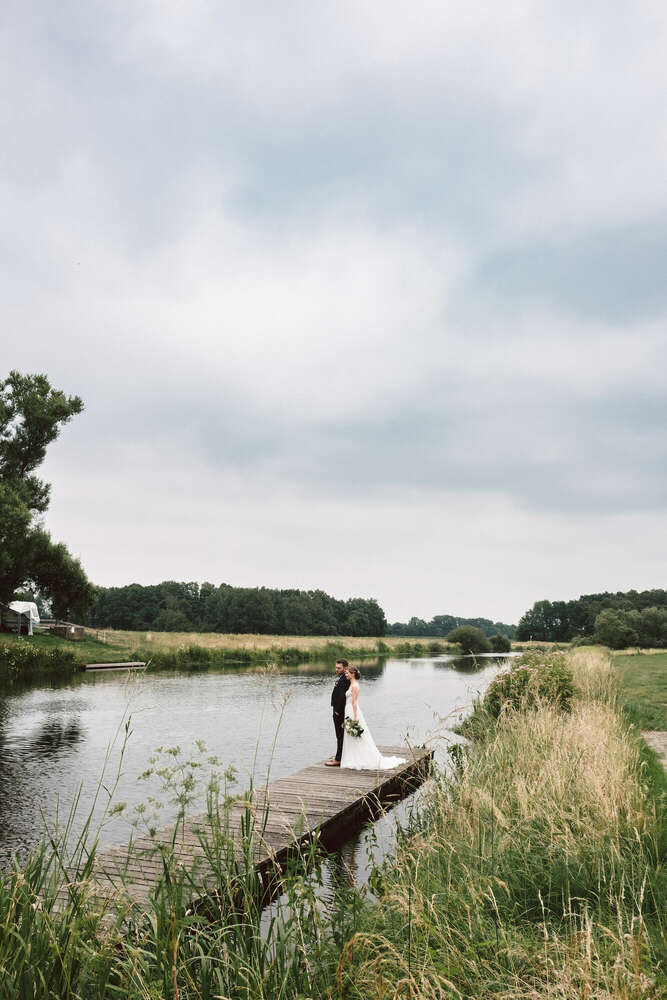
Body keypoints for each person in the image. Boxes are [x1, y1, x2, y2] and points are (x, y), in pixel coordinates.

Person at [340, 667, 405, 770]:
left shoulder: (355, 686)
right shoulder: (351, 684)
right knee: (350, 734)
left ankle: (363, 758)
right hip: (348, 710)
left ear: (352, 674)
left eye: (347, 673)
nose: (346, 675)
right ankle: (353, 757)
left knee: (357, 734)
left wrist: (356, 716)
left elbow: (354, 702)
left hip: (353, 711)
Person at [325, 658, 350, 767]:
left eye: (339, 668)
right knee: (341, 735)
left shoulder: (344, 680)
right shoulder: (343, 678)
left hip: (340, 712)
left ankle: (338, 759)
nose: (336, 669)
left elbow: (342, 698)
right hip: (341, 711)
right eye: (336, 667)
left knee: (340, 735)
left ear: (345, 668)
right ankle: (341, 755)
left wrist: (337, 711)